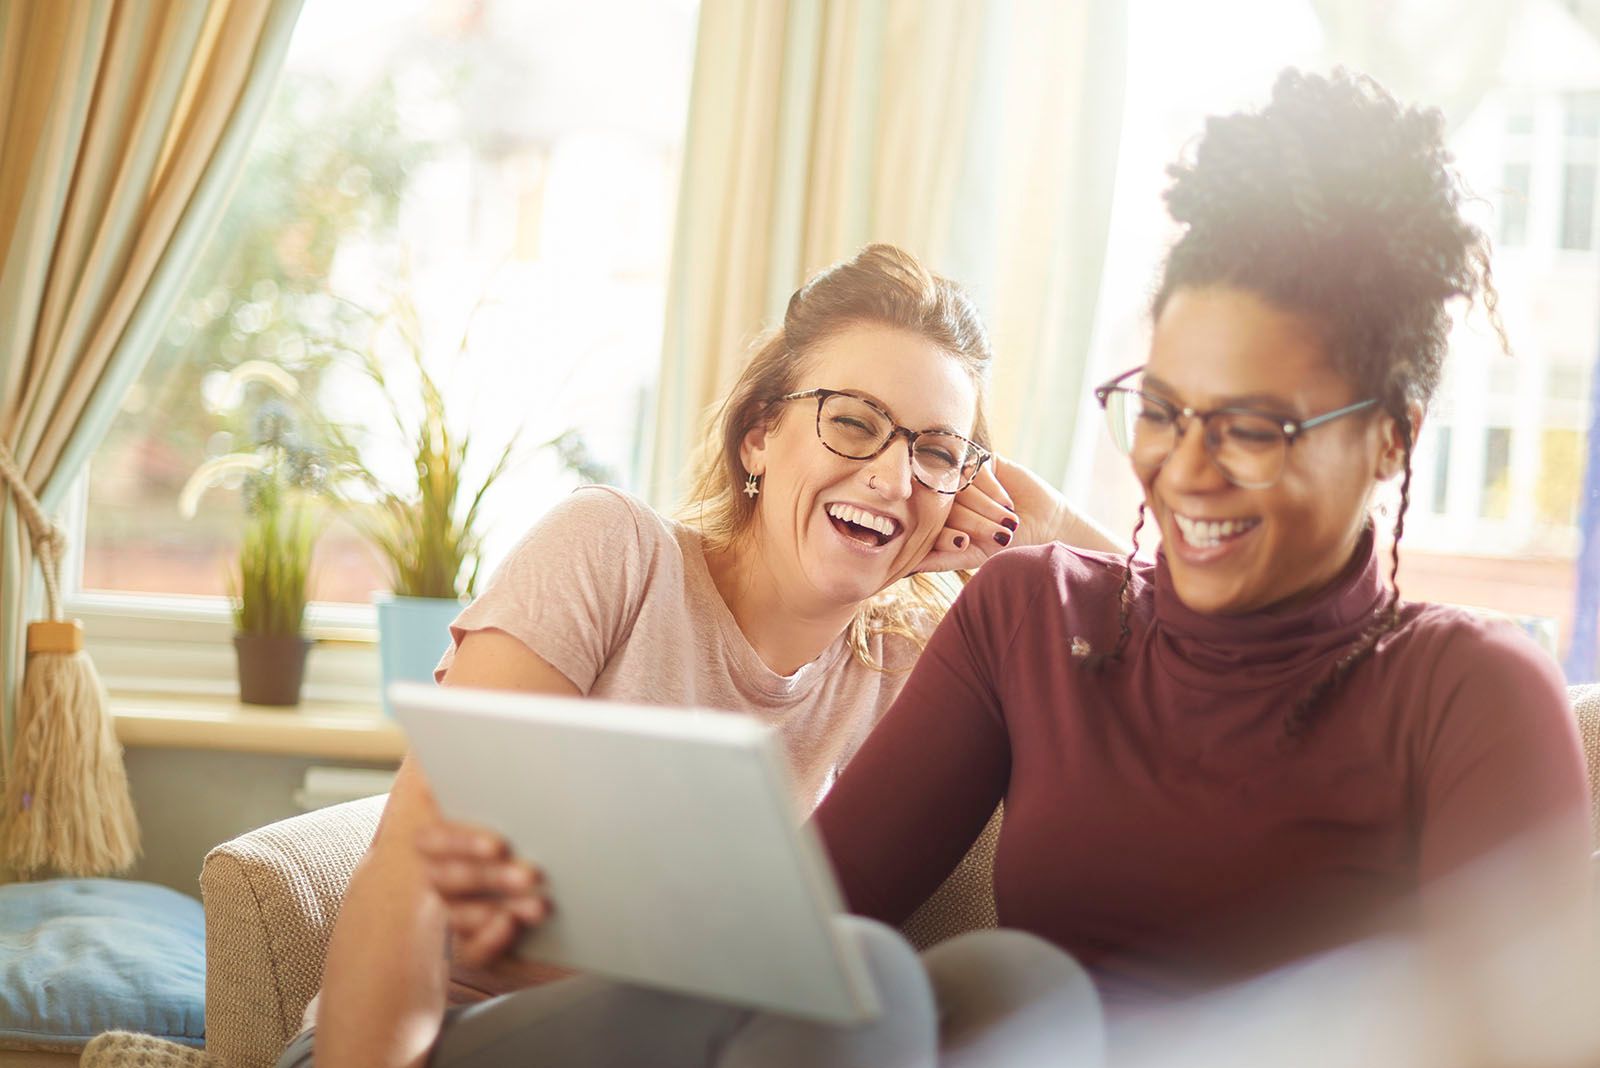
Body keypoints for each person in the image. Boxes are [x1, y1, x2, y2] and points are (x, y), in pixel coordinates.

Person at [298, 244, 1121, 1067]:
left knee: (1021, 984)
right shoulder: (613, 551)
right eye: (853, 423)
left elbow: (1177, 641)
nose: (891, 477)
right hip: (438, 1038)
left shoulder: (911, 665)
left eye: (935, 452)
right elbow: (410, 866)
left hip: (719, 1047)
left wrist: (1047, 531)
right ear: (760, 436)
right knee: (855, 965)